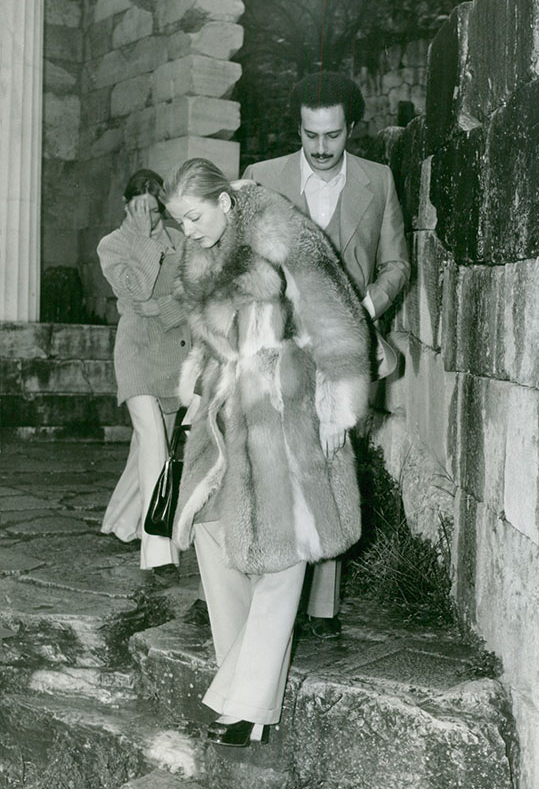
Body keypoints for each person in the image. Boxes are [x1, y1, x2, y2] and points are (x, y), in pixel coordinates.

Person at [164, 157, 370, 747]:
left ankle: (247, 704)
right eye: (180, 222)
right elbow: (208, 337)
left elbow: (339, 319)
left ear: (225, 202)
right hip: (225, 415)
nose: (188, 231)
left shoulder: (282, 232)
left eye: (194, 217)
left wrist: (339, 404)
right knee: (214, 537)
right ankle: (241, 689)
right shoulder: (200, 253)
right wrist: (196, 387)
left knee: (282, 558)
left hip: (286, 411)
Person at [243, 70, 411, 639]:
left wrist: (364, 307)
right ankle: (266, 593)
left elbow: (397, 264)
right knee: (271, 461)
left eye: (333, 135)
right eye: (310, 134)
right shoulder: (261, 178)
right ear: (298, 128)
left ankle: (321, 608)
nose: (320, 147)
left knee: (331, 460)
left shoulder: (378, 181)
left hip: (342, 349)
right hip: (277, 346)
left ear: (351, 128)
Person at [98, 168, 189, 583]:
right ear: (126, 207)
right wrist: (142, 239)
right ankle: (158, 549)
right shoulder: (112, 245)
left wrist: (165, 308)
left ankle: (121, 521)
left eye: (155, 211)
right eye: (141, 210)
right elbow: (136, 290)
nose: (150, 219)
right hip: (135, 352)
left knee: (151, 446)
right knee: (153, 439)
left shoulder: (182, 241)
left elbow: (194, 292)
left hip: (173, 353)